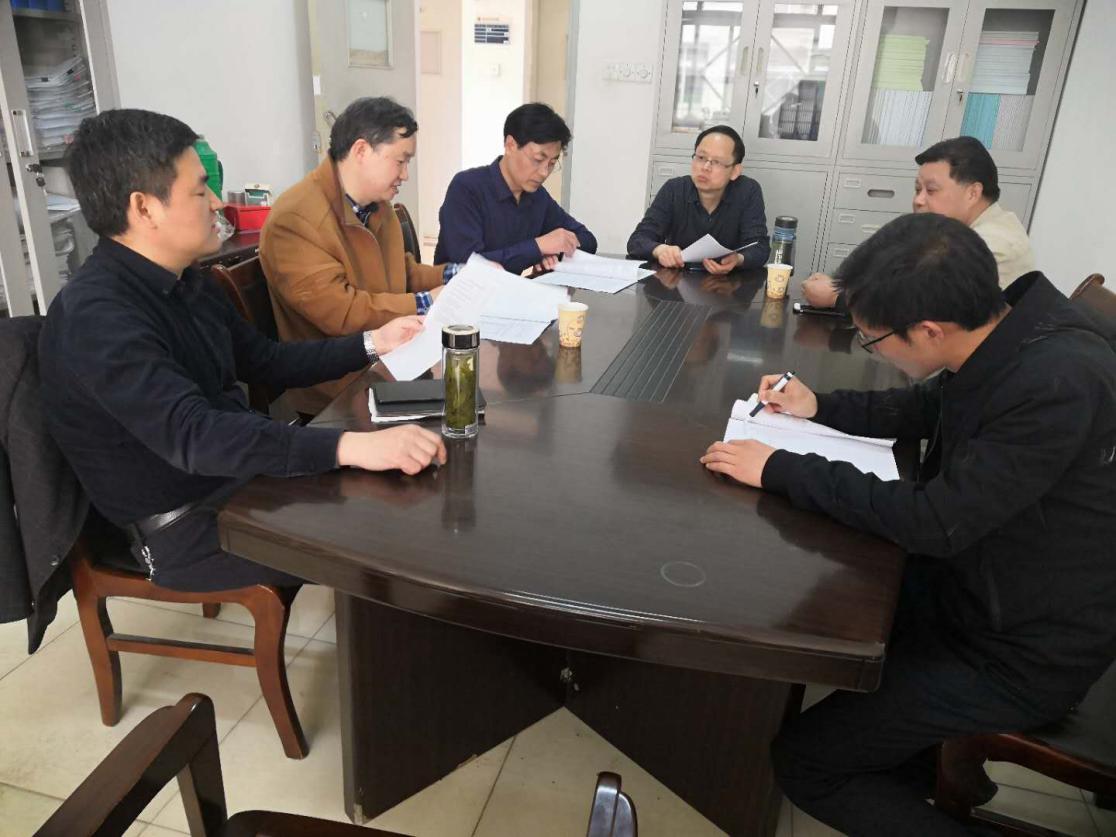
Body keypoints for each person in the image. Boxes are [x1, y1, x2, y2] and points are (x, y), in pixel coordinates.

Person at [701, 213, 1116, 836]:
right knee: (828, 594)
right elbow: (930, 406)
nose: (875, 351)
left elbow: (936, 522)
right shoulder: (1008, 329)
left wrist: (782, 467)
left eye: (874, 340)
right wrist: (820, 407)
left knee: (807, 762)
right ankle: (914, 762)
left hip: (1022, 650)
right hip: (981, 587)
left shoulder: (1056, 382)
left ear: (928, 330)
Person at [40, 109, 446, 593]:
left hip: (236, 479)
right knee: (392, 540)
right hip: (185, 525)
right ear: (144, 208)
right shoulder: (97, 316)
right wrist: (350, 447)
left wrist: (373, 342)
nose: (217, 202)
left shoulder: (187, 280)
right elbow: (196, 435)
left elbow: (265, 361)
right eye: (200, 190)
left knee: (409, 491)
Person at [262, 97, 452, 414]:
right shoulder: (295, 219)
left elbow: (401, 273)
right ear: (361, 150)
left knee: (467, 392)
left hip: (392, 361)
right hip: (339, 387)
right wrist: (425, 302)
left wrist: (455, 275)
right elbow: (343, 312)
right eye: (400, 161)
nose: (405, 174)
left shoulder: (377, 206)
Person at [803, 136, 1035, 309]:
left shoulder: (994, 245)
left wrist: (838, 297)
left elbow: (921, 308)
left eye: (931, 190)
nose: (918, 200)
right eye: (917, 189)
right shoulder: (961, 232)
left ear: (973, 193)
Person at [434, 102, 596, 274]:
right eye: (538, 159)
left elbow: (588, 240)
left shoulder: (538, 197)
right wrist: (538, 247)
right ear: (510, 145)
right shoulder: (466, 188)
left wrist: (552, 254)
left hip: (511, 289)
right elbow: (469, 266)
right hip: (458, 289)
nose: (544, 172)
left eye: (552, 163)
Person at [627, 125, 770, 273]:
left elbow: (760, 247)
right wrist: (660, 250)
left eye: (717, 162)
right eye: (701, 158)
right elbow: (637, 240)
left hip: (728, 282)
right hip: (676, 279)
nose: (705, 167)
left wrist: (738, 259)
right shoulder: (674, 189)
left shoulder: (748, 191)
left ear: (735, 171)